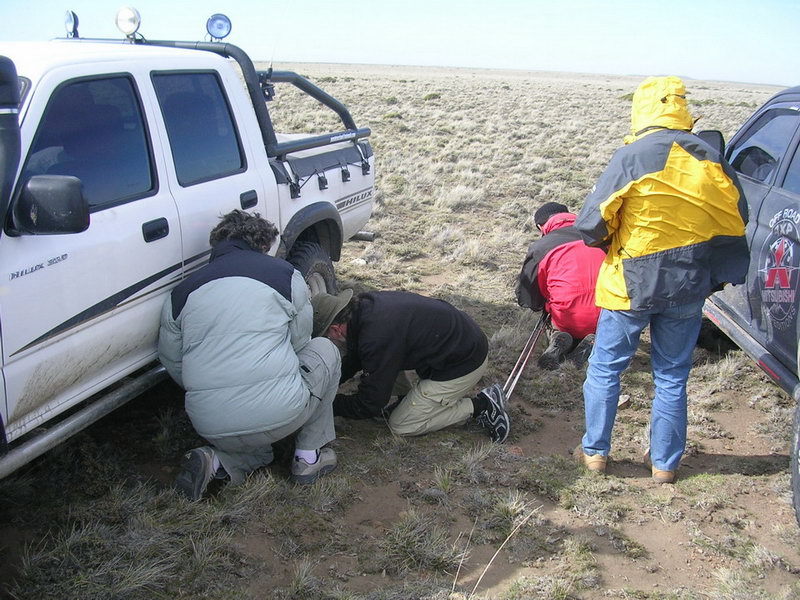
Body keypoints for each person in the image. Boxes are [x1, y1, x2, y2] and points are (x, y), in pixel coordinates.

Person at [573, 76, 749, 483]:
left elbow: (590, 224)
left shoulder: (632, 155)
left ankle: (595, 452)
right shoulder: (710, 156)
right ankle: (665, 465)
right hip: (688, 284)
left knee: (606, 369)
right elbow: (738, 215)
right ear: (682, 108)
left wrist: (616, 239)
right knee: (672, 375)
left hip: (630, 284)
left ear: (643, 109)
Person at [158, 210, 342, 501]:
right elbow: (300, 341)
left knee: (255, 445)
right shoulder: (285, 276)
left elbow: (172, 360)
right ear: (262, 244)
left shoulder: (180, 293)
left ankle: (215, 461)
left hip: (210, 422)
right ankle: (308, 458)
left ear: (217, 245)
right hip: (280, 411)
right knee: (325, 350)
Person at [311, 290, 510, 442]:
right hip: (455, 343)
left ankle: (482, 406)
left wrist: (330, 405)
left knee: (401, 425)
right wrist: (325, 386)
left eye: (324, 337)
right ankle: (408, 399)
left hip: (464, 363)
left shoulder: (376, 336)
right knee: (381, 360)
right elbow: (357, 358)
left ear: (336, 329)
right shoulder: (363, 309)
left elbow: (371, 403)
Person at [515, 201, 606, 369]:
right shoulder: (602, 236)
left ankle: (557, 335)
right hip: (607, 316)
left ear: (541, 226)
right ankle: (592, 341)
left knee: (559, 312)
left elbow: (528, 297)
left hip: (568, 317)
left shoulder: (541, 247)